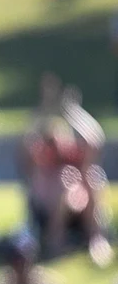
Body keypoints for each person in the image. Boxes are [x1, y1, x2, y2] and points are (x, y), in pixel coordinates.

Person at [22, 76, 112, 267]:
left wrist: (72, 112)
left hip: (80, 209)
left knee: (92, 177)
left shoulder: (71, 154)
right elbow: (28, 139)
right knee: (63, 182)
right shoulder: (45, 155)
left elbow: (95, 141)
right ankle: (57, 240)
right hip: (48, 211)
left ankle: (96, 239)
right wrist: (45, 106)